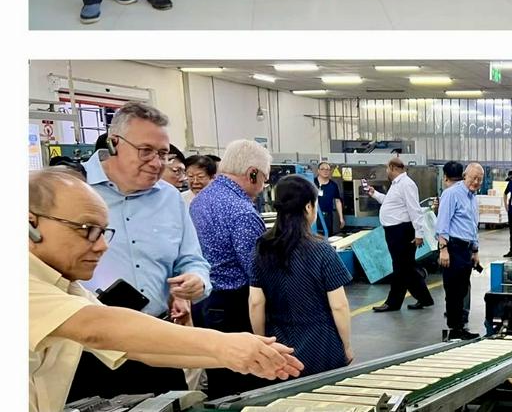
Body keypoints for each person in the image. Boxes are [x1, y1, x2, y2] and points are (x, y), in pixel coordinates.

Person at [29, 169, 303, 412]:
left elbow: (133, 345)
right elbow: (97, 328)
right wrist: (225, 345)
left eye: (103, 232)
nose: (102, 246)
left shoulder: (66, 288)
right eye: (87, 230)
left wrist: (235, 357)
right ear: (30, 223)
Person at [67, 102, 212, 400]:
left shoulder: (170, 199)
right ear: (115, 143)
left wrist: (196, 280)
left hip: (154, 341)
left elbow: (192, 259)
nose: (156, 162)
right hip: (85, 349)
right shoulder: (70, 190)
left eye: (162, 153)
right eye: (145, 151)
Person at [190, 140, 272, 397]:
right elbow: (256, 271)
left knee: (219, 377)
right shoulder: (242, 213)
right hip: (234, 307)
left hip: (203, 301)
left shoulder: (200, 201)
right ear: (253, 173)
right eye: (264, 179)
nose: (263, 187)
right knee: (245, 381)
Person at [250, 175, 354, 376]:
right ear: (308, 207)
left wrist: (262, 345)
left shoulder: (262, 248)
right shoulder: (321, 249)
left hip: (280, 346)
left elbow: (255, 302)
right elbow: (339, 305)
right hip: (322, 344)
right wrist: (346, 346)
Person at [367, 157, 434, 312]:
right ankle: (424, 299)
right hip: (394, 231)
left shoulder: (406, 184)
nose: (386, 171)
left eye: (386, 168)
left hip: (402, 232)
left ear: (392, 167)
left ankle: (393, 302)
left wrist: (419, 233)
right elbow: (390, 203)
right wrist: (374, 194)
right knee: (405, 268)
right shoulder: (397, 185)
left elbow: (414, 209)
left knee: (400, 268)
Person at [435, 162, 484, 340]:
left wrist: (475, 251)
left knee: (462, 290)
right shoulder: (451, 194)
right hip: (452, 248)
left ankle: (459, 327)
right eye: (473, 178)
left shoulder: (472, 198)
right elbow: (442, 224)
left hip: (465, 250)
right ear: (465, 175)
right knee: (453, 291)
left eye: (480, 179)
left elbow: (473, 226)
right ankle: (454, 329)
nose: (476, 182)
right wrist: (443, 249)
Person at [314, 161, 344, 236]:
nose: (325, 171)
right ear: (318, 171)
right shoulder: (312, 183)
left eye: (327, 169)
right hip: (314, 216)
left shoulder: (333, 185)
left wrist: (341, 218)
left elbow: (337, 201)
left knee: (327, 236)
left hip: (327, 216)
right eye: (323, 169)